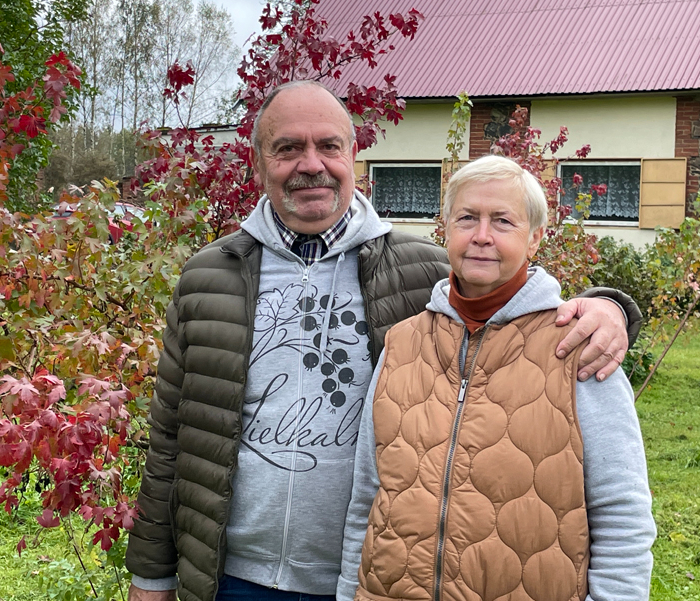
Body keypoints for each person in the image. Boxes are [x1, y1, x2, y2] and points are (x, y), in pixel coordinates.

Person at [126, 81, 643, 601]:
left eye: (329, 146)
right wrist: (152, 578)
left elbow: (512, 298)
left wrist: (610, 308)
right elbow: (170, 440)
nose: (312, 163)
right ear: (258, 165)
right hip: (229, 578)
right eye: (287, 148)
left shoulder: (420, 273)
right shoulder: (207, 277)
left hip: (370, 578)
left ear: (353, 156)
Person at [338, 155, 655, 601]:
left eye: (503, 221)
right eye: (467, 218)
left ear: (535, 238)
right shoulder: (402, 345)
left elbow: (622, 517)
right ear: (444, 227)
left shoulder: (579, 347)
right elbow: (368, 502)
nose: (482, 236)